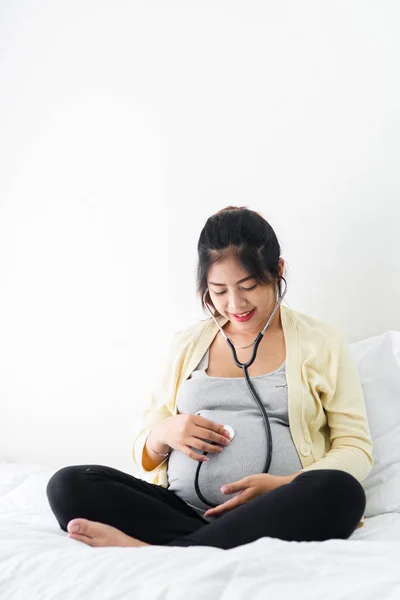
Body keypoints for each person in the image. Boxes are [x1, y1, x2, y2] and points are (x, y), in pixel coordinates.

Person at [46, 206, 373, 550]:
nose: (235, 304)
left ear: (278, 271)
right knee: (67, 485)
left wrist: (282, 485)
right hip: (180, 510)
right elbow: (145, 445)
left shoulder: (321, 341)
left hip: (272, 509)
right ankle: (202, 544)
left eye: (248, 286)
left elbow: (355, 448)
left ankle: (162, 551)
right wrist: (164, 434)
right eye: (219, 291)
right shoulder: (187, 344)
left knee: (342, 492)